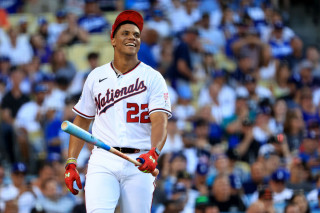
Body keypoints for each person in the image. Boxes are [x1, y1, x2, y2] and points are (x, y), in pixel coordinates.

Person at [64, 10, 172, 213]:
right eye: (126, 33)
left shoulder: (153, 78)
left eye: (136, 34)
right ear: (113, 40)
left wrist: (154, 153)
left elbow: (160, 122)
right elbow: (81, 122)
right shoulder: (96, 76)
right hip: (103, 159)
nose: (132, 37)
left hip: (139, 161)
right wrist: (71, 162)